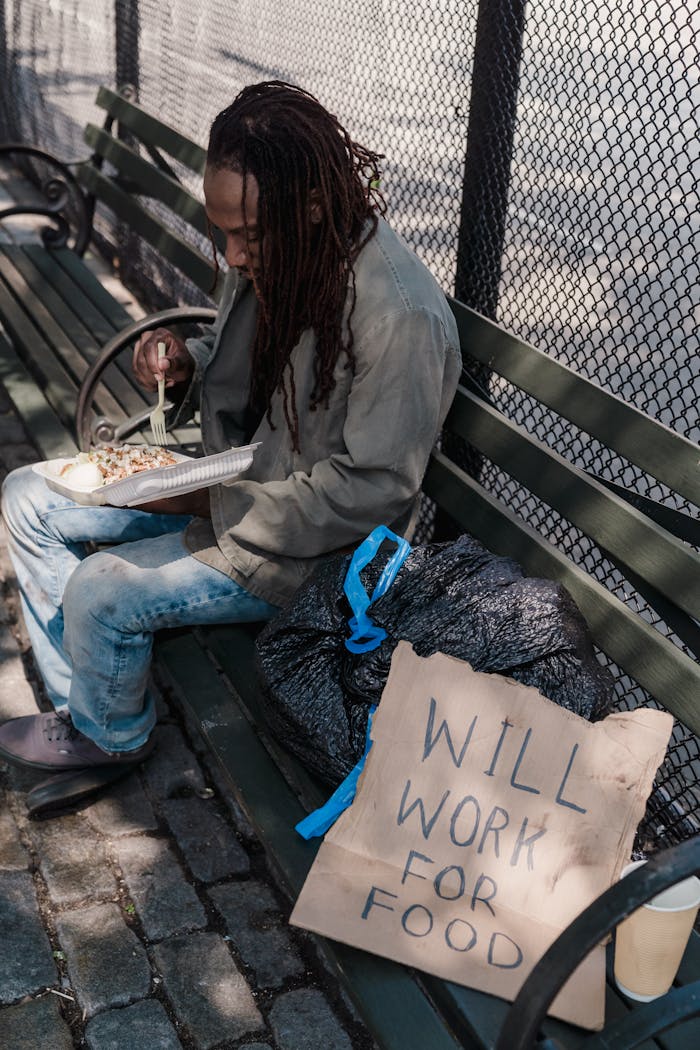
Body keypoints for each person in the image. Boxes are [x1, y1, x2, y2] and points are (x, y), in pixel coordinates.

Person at [0, 81, 461, 795]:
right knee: (26, 495)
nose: (234, 254)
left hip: (313, 555)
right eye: (223, 233)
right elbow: (243, 361)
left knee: (100, 589)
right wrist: (185, 363)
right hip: (239, 480)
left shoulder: (398, 314)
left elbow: (371, 492)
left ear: (312, 204)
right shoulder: (286, 245)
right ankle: (87, 702)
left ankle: (110, 736)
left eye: (247, 235)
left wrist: (206, 503)